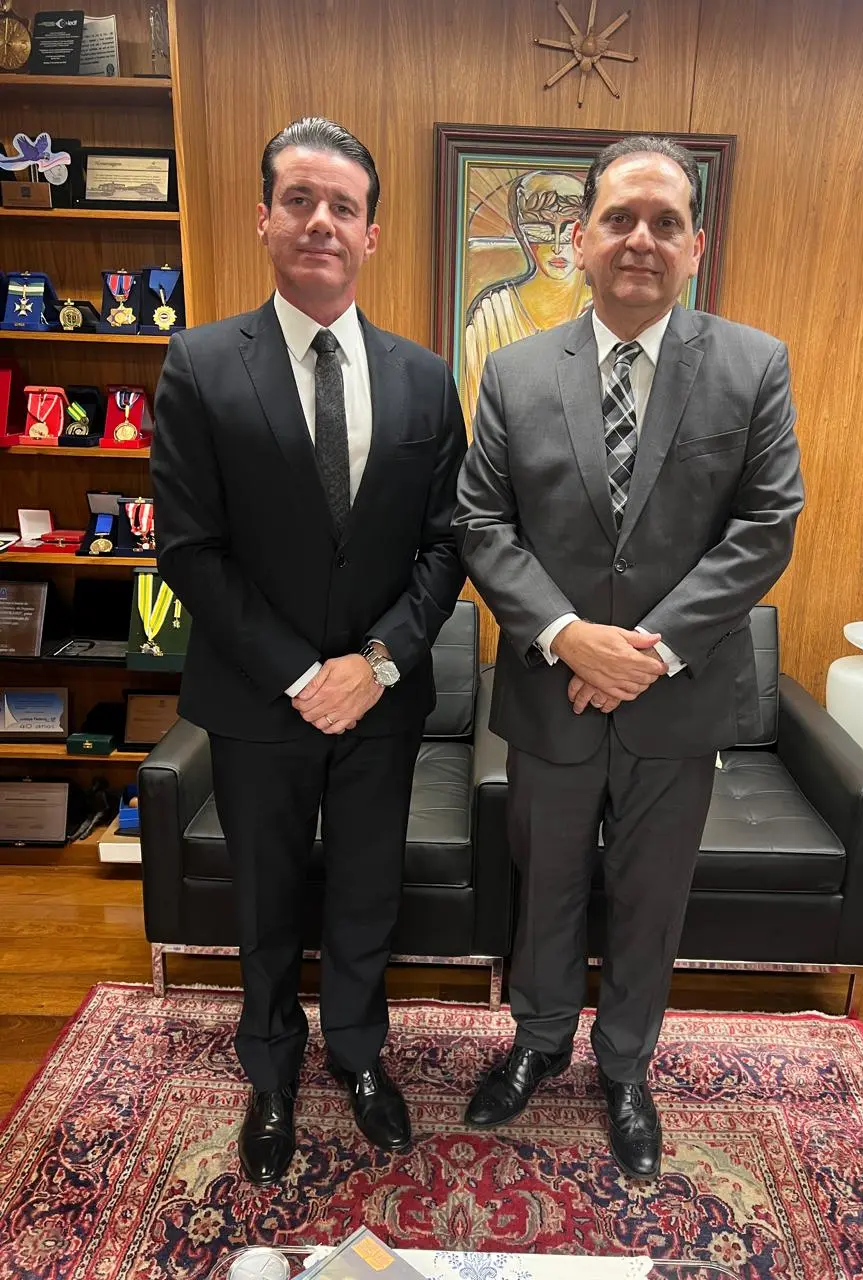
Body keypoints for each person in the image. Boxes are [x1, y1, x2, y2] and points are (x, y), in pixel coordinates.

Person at [453, 135, 803, 1179]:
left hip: (675, 701)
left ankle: (625, 1068)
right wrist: (568, 636)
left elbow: (766, 526)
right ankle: (538, 1041)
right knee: (546, 886)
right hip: (550, 694)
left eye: (665, 221)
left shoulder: (753, 365)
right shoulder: (514, 372)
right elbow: (480, 524)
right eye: (619, 218)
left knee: (651, 898)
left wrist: (650, 651)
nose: (640, 239)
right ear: (580, 238)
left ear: (697, 244)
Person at [151, 116, 467, 1186]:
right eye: (299, 199)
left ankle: (360, 1057)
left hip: (382, 699)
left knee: (368, 891)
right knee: (267, 899)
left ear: (371, 233)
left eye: (343, 206)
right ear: (264, 218)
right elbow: (189, 548)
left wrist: (373, 664)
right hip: (257, 699)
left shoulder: (426, 379)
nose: (321, 220)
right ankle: (273, 1074)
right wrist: (299, 672)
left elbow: (446, 545)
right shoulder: (200, 365)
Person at [462, 170, 591, 422]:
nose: (556, 246)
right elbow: (475, 418)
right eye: (540, 231)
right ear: (521, 232)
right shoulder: (493, 316)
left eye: (568, 232)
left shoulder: (602, 314)